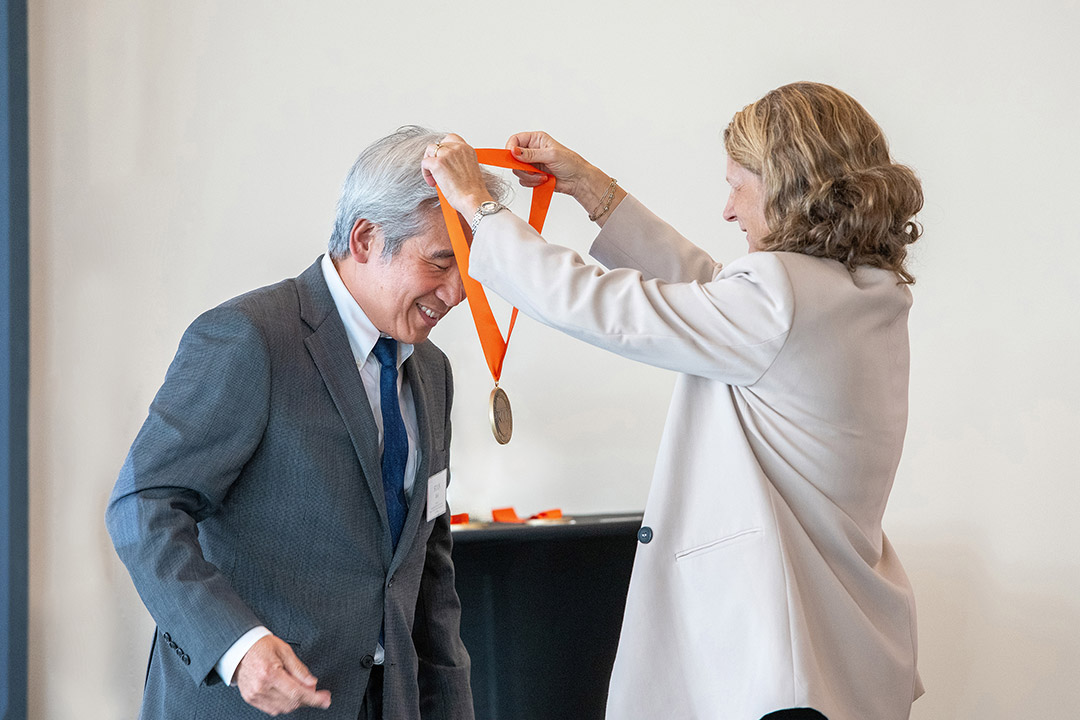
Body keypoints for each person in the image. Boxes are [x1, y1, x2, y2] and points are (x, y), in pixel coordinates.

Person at [422, 82, 924, 720]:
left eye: (738, 184)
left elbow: (605, 306)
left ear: (789, 184)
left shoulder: (778, 301)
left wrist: (478, 207)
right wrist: (592, 189)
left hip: (778, 671)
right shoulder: (862, 293)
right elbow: (713, 292)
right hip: (845, 655)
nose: (728, 210)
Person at [106, 126, 505, 719]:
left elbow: (426, 573)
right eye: (441, 262)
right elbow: (144, 506)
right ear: (367, 238)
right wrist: (238, 648)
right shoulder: (250, 337)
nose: (457, 292)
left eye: (467, 268)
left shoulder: (433, 371)